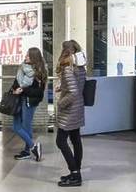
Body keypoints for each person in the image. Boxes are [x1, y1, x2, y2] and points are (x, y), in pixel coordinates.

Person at [55, 40, 86, 187]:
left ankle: (75, 174)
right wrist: (63, 88)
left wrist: (61, 103)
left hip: (69, 110)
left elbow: (73, 92)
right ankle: (76, 172)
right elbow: (76, 87)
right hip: (78, 107)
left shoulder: (68, 69)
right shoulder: (80, 68)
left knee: (60, 141)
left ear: (65, 52)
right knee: (75, 140)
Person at [11, 47, 46, 161]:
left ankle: (27, 150)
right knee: (16, 127)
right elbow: (16, 83)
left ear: (34, 58)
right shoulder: (22, 68)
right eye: (26, 55)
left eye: (28, 56)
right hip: (17, 101)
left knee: (26, 126)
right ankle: (33, 147)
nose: (25, 57)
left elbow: (39, 93)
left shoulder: (40, 72)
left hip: (29, 102)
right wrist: (15, 89)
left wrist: (23, 90)